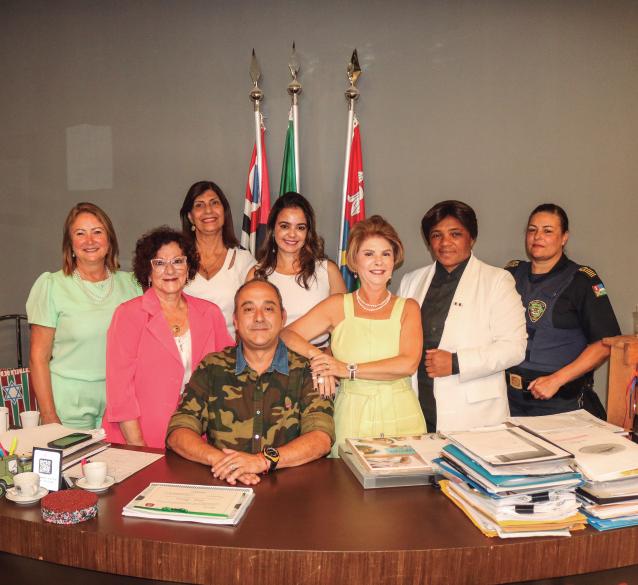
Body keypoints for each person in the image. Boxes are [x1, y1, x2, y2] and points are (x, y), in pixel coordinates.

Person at [280, 215, 426, 457]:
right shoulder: (337, 305)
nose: (378, 261)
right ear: (354, 261)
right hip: (350, 414)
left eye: (386, 254)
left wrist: (346, 369)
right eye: (369, 254)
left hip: (401, 414)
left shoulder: (408, 308)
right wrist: (319, 358)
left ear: (394, 261)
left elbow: (408, 363)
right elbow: (286, 334)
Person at [166, 279, 335, 486]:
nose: (259, 317)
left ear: (283, 318)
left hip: (291, 491)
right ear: (235, 321)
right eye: (248, 309)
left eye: (268, 308)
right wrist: (222, 461)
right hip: (225, 485)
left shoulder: (306, 371)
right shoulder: (212, 368)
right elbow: (178, 431)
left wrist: (262, 461)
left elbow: (321, 438)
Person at [398, 200, 526, 432]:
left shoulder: (497, 281)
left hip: (474, 412)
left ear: (471, 238)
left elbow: (514, 348)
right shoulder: (411, 281)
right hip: (418, 406)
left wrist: (457, 362)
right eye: (436, 235)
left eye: (455, 234)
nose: (445, 242)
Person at [102, 227, 234, 448]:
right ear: (148, 270)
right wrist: (139, 447)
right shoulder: (128, 315)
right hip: (138, 438)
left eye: (178, 261)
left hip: (196, 436)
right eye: (160, 263)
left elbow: (228, 373)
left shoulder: (209, 313)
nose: (170, 270)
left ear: (188, 267)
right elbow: (120, 391)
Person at [26, 202, 141, 429]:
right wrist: (49, 416)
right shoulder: (52, 285)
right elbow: (38, 358)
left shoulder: (132, 285)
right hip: (68, 406)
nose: (90, 241)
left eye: (97, 232)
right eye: (80, 233)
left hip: (121, 406)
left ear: (109, 241)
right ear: (70, 244)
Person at [505, 203, 621, 417]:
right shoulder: (510, 275)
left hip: (561, 403)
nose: (537, 236)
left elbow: (605, 344)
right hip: (509, 402)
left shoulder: (582, 280)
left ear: (564, 238)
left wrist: (557, 380)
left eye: (548, 231)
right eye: (532, 230)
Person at [247, 192, 346, 347]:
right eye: (284, 226)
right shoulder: (256, 274)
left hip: (318, 358)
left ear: (308, 232)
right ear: (272, 229)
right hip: (269, 358)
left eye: (300, 227)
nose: (292, 234)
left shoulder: (328, 271)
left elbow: (345, 330)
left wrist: (328, 357)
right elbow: (246, 329)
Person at [181, 180, 256, 338]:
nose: (208, 210)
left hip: (229, 351)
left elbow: (253, 316)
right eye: (199, 205)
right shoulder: (177, 261)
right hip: (183, 350)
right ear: (190, 217)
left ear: (224, 211)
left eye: (214, 203)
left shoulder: (244, 261)